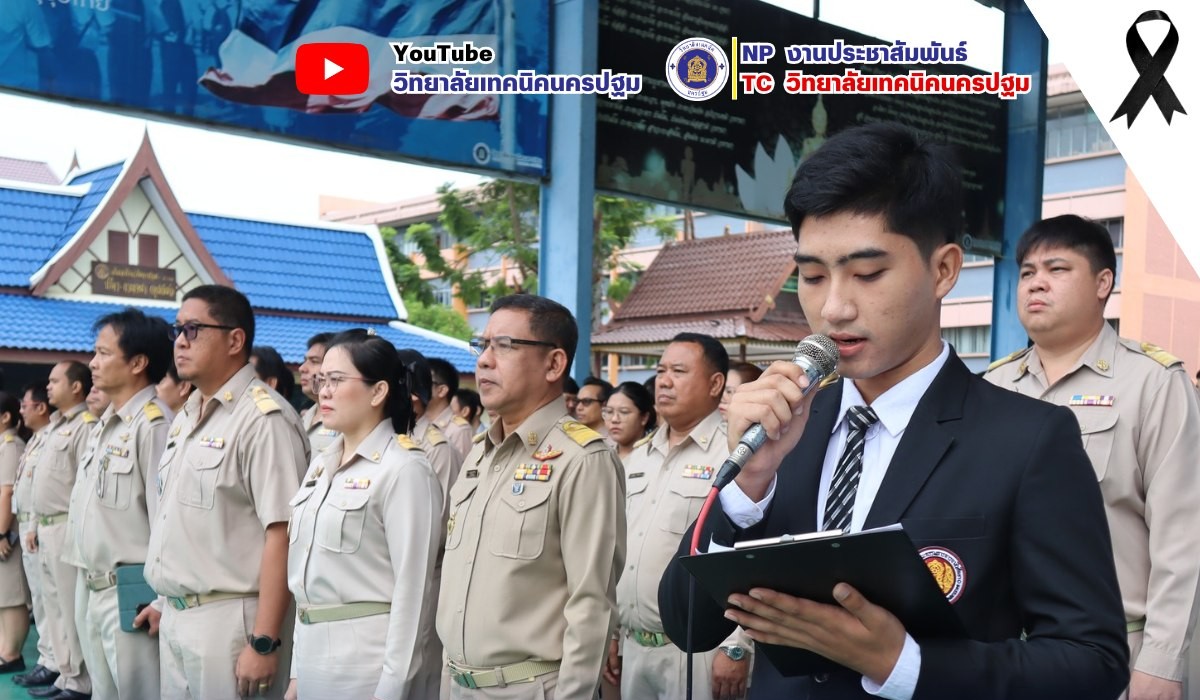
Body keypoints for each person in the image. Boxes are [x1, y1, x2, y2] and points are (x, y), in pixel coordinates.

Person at [657, 122, 1129, 699]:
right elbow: (687, 623)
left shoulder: (1028, 440)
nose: (834, 307)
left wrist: (905, 664)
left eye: (868, 273)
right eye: (812, 276)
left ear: (943, 270)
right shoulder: (784, 428)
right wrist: (747, 486)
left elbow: (1093, 662)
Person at [984, 214, 1200, 700]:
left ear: (1103, 283)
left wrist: (1162, 663)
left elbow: (1183, 535)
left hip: (1113, 654)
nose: (1036, 283)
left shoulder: (1152, 384)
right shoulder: (993, 386)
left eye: (1057, 269)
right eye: (1027, 272)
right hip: (1002, 656)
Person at [437, 294, 626, 698]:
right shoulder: (479, 453)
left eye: (504, 346)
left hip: (530, 688)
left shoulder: (582, 459)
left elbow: (591, 604)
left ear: (554, 364)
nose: (484, 360)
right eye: (482, 345)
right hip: (459, 684)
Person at [140, 284, 309, 699]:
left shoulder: (264, 419)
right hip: (179, 614)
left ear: (235, 340)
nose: (180, 341)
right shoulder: (188, 414)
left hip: (230, 620)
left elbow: (283, 532)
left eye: (193, 329)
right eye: (177, 329)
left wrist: (264, 640)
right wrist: (164, 601)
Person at [284, 331, 443, 700]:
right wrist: (296, 674)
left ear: (378, 392)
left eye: (337, 380)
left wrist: (392, 688)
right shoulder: (321, 465)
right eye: (322, 380)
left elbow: (413, 593)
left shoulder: (404, 469)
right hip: (311, 658)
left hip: (364, 664)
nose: (324, 391)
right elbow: (308, 580)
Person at [608, 334, 752, 700]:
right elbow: (619, 549)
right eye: (660, 371)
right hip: (635, 646)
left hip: (699, 650)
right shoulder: (638, 456)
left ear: (715, 384)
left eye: (679, 371)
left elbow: (749, 551)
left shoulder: (734, 454)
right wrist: (612, 632)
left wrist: (737, 645)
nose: (664, 381)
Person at [69, 308, 173, 698]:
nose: (92, 364)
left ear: (138, 363)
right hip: (93, 585)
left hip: (132, 593)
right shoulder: (107, 424)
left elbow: (166, 518)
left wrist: (161, 599)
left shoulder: (154, 424)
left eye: (103, 353)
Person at [27, 361, 95, 700]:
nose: (49, 387)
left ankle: (79, 682)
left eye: (55, 381)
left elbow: (84, 486)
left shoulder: (85, 426)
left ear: (76, 387)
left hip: (66, 525)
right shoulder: (56, 426)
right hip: (46, 525)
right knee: (52, 606)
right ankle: (64, 674)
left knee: (70, 609)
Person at [12, 383, 57, 689]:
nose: (21, 411)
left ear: (41, 408)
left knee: (52, 603)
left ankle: (56, 663)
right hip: (32, 525)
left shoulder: (54, 436)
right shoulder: (37, 439)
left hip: (44, 526)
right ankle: (48, 658)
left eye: (25, 405)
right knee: (41, 600)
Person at [0, 391, 32, 673]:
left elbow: (7, 492)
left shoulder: (10, 446)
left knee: (11, 594)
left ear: (5, 417)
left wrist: (1, 534)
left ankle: (11, 654)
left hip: (8, 533)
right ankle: (3, 648)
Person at [426, 357, 474, 460]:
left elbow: (461, 468)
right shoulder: (417, 423)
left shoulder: (459, 430)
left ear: (441, 390)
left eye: (424, 380)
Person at [298, 332, 338, 455]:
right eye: (305, 360)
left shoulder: (345, 421)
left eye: (314, 361)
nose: (302, 368)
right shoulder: (303, 418)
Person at [602, 382, 656, 462]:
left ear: (644, 417)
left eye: (624, 412)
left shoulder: (654, 457)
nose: (614, 419)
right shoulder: (602, 457)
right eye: (609, 412)